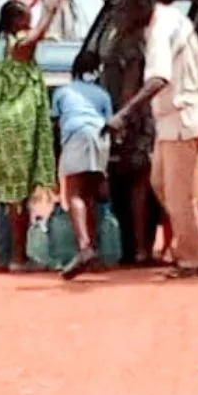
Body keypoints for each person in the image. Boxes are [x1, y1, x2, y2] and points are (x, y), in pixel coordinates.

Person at [108, 0, 198, 279]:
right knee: (160, 184)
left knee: (177, 194)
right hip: (173, 120)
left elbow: (158, 79)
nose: (124, 17)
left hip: (181, 118)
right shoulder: (172, 17)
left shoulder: (158, 31)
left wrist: (125, 114)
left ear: (142, 6)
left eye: (127, 10)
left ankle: (195, 261)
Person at [0, 0, 66, 272]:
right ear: (16, 23)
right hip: (15, 126)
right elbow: (38, 35)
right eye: (25, 17)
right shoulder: (19, 47)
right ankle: (17, 258)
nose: (29, 23)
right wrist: (53, 4)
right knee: (16, 194)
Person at [53, 49, 114, 279]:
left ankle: (84, 247)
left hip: (76, 135)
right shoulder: (102, 93)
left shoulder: (63, 91)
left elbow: (58, 121)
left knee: (74, 194)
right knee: (91, 195)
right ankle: (96, 251)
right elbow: (109, 121)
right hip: (100, 136)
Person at [106, 27, 158, 265]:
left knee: (131, 184)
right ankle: (140, 249)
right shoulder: (135, 46)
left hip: (128, 119)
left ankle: (134, 248)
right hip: (138, 119)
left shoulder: (117, 43)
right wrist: (126, 118)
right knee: (140, 185)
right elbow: (130, 87)